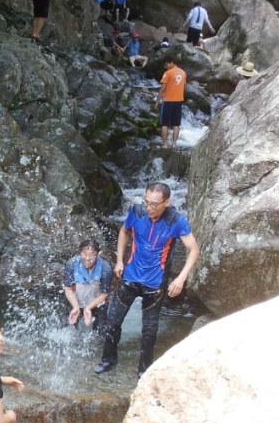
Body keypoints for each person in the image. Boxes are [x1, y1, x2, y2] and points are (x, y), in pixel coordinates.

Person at [94, 183, 200, 379]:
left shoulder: (176, 221)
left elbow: (193, 249)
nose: (149, 208)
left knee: (149, 330)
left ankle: (144, 370)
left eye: (154, 204)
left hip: (154, 284)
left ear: (167, 202)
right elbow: (124, 231)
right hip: (130, 278)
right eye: (146, 202)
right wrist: (119, 260)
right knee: (112, 321)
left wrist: (181, 278)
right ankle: (109, 360)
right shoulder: (137, 212)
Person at [63, 239, 113, 332]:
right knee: (68, 328)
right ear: (80, 253)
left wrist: (88, 308)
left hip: (98, 302)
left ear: (97, 255)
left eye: (91, 254)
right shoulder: (72, 264)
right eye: (84, 254)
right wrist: (75, 307)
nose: (87, 258)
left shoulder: (105, 268)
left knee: (101, 331)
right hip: (76, 300)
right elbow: (68, 289)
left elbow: (104, 294)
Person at [156, 57, 187, 149]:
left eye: (166, 64)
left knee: (164, 124)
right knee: (176, 124)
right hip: (178, 101)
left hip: (168, 101)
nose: (166, 67)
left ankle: (165, 144)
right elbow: (182, 87)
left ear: (171, 62)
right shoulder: (183, 73)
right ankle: (174, 144)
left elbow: (162, 89)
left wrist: (157, 101)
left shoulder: (168, 73)